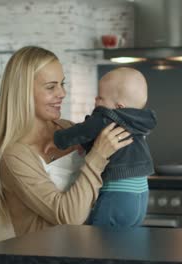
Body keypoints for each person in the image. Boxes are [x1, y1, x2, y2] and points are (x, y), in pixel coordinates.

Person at [0, 46, 133, 236]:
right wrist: (98, 155)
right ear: (22, 93)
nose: (62, 93)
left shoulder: (68, 128)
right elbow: (68, 217)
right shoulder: (14, 156)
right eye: (51, 87)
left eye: (62, 84)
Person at [51, 67, 157, 227]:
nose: (96, 100)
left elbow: (84, 130)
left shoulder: (107, 117)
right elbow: (101, 138)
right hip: (141, 196)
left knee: (97, 239)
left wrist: (59, 138)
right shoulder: (139, 122)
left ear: (119, 106)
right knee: (122, 245)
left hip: (118, 194)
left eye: (100, 98)